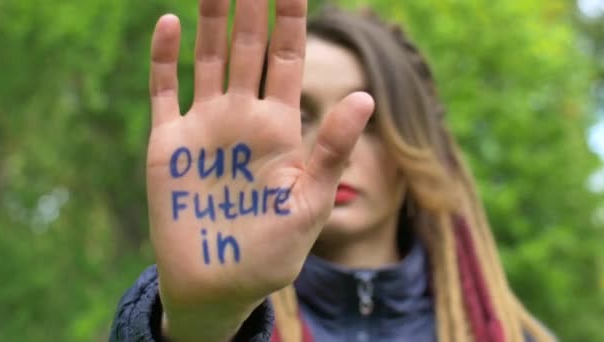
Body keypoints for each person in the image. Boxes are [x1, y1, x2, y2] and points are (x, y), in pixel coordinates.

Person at [110, 1, 555, 341]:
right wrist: (202, 326)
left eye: (369, 119)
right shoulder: (191, 320)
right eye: (301, 115)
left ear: (417, 140)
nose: (336, 146)